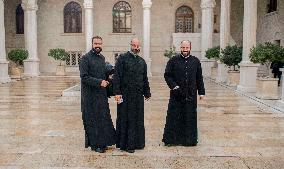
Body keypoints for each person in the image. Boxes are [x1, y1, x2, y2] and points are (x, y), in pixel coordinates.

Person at [162, 40, 205, 147]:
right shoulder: (173, 60)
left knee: (189, 117)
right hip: (177, 94)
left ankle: (189, 140)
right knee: (175, 116)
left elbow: (199, 77)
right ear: (180, 48)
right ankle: (172, 140)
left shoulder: (196, 61)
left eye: (187, 48)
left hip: (191, 95)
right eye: (183, 48)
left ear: (190, 48)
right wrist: (174, 86)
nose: (185, 50)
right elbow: (167, 75)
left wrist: (201, 92)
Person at [113, 38, 151, 153]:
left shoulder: (142, 61)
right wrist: (117, 93)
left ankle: (137, 143)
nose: (136, 48)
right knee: (126, 119)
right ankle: (126, 145)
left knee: (137, 119)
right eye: (134, 45)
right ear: (130, 45)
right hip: (125, 95)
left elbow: (144, 78)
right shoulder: (122, 58)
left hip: (138, 96)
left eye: (137, 46)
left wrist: (147, 92)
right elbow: (117, 76)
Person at [79, 36, 116, 153]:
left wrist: (110, 75)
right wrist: (100, 82)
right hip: (90, 96)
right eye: (96, 43)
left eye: (100, 43)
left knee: (103, 119)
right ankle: (96, 145)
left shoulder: (102, 58)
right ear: (92, 44)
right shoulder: (85, 59)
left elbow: (103, 73)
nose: (98, 45)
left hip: (101, 95)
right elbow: (84, 77)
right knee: (93, 121)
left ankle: (104, 142)